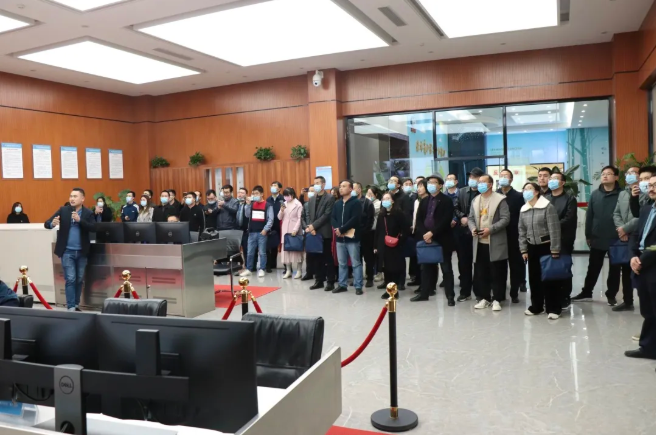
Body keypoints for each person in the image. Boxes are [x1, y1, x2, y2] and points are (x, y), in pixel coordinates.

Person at [572, 165, 623, 304]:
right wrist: (588, 234)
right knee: (593, 267)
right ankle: (586, 292)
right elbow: (590, 215)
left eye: (608, 173)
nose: (605, 176)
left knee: (614, 268)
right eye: (603, 174)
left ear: (616, 177)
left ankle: (611, 295)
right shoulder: (595, 194)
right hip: (597, 236)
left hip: (616, 237)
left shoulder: (622, 194)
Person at [44, 188, 95, 311]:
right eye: (71, 196)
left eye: (75, 196)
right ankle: (71, 307)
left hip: (82, 251)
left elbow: (93, 227)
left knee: (79, 279)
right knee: (71, 279)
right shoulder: (63, 210)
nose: (72, 198)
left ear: (82, 199)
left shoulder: (88, 213)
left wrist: (80, 220)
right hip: (67, 251)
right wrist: (52, 224)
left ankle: (76, 304)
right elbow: (47, 223)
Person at [519, 182, 562, 318]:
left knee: (549, 278)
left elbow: (554, 229)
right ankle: (536, 306)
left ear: (537, 192)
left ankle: (553, 308)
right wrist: (523, 249)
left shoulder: (547, 207)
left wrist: (555, 249)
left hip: (546, 247)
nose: (526, 191)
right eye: (525, 189)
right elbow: (521, 231)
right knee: (534, 278)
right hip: (531, 247)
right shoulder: (524, 209)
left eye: (529, 189)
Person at [468, 174, 510, 310]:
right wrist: (473, 228)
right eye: (479, 181)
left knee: (497, 272)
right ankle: (484, 298)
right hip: (479, 243)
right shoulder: (475, 200)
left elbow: (505, 219)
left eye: (483, 182)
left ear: (490, 184)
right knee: (481, 272)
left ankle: (497, 299)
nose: (479, 184)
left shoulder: (500, 199)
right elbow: (470, 218)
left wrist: (490, 230)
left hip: (495, 242)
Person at [626, 173, 656, 360]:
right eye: (650, 185)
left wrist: (642, 259)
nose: (651, 188)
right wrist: (633, 256)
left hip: (652, 264)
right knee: (648, 310)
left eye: (655, 185)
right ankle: (648, 348)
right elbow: (636, 235)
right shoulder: (646, 209)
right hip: (641, 265)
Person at [413, 176, 455, 305]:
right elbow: (419, 219)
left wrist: (432, 233)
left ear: (440, 185)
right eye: (429, 182)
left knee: (446, 269)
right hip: (426, 239)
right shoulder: (424, 201)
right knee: (425, 268)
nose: (430, 184)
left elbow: (446, 220)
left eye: (434, 182)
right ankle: (424, 293)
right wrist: (425, 234)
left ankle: (450, 296)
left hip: (442, 239)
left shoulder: (446, 200)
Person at [611, 166, 642, 311]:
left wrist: (625, 229)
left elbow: (640, 216)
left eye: (633, 172)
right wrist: (621, 229)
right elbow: (616, 213)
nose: (629, 175)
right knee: (626, 268)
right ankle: (627, 301)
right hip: (625, 235)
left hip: (639, 234)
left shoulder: (645, 193)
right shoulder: (623, 193)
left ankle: (646, 302)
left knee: (641, 269)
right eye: (627, 173)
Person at [546, 171, 578, 309]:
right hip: (547, 239)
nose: (551, 180)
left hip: (564, 239)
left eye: (555, 178)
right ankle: (550, 296)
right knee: (548, 267)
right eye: (551, 178)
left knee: (563, 267)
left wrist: (552, 226)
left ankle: (565, 296)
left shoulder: (570, 199)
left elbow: (569, 218)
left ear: (563, 182)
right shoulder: (545, 198)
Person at [497, 168, 526, 303]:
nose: (503, 178)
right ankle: (500, 293)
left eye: (506, 176)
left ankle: (514, 292)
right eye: (501, 175)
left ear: (511, 179)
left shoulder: (518, 196)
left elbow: (522, 216)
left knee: (515, 266)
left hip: (514, 235)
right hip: (498, 235)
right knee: (500, 266)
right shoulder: (495, 195)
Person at [455, 167, 483, 301]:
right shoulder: (461, 192)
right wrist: (462, 217)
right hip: (463, 233)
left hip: (478, 233)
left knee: (479, 264)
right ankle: (465, 291)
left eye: (475, 177)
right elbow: (455, 207)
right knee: (464, 263)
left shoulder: (483, 193)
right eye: (471, 177)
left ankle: (479, 292)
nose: (472, 179)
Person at [375, 192, 409, 299]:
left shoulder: (398, 213)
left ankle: (394, 291)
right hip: (383, 245)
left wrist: (400, 241)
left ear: (393, 201)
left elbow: (405, 229)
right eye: (384, 199)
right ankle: (388, 290)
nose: (385, 200)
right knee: (386, 269)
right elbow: (378, 231)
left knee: (394, 269)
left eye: (388, 198)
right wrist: (376, 246)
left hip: (395, 245)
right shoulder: (382, 214)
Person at [331, 180, 363, 295]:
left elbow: (355, 219)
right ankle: (342, 285)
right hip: (340, 238)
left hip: (352, 238)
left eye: (344, 186)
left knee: (355, 263)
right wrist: (337, 229)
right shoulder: (337, 203)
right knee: (342, 263)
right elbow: (333, 217)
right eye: (340, 186)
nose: (341, 188)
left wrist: (342, 229)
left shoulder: (356, 203)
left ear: (350, 189)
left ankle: (358, 286)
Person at [307, 176, 337, 291]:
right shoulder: (312, 199)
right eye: (314, 183)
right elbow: (309, 214)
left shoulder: (330, 198)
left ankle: (330, 281)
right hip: (314, 232)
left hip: (324, 232)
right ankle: (319, 280)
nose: (316, 185)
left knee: (327, 257)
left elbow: (327, 215)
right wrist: (311, 227)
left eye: (318, 183)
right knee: (316, 258)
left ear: (323, 184)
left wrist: (313, 226)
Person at [386, 176, 414, 290]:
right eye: (390, 181)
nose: (391, 183)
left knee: (400, 257)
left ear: (398, 185)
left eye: (393, 181)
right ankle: (389, 280)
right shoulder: (387, 195)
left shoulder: (404, 197)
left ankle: (401, 281)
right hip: (388, 231)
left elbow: (407, 215)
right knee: (389, 258)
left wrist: (403, 231)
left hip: (399, 231)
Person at [241, 186, 274, 278]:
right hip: (252, 232)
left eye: (256, 194)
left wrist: (265, 229)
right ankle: (249, 269)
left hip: (262, 233)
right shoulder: (252, 204)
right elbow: (247, 215)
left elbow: (270, 219)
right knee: (250, 252)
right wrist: (247, 205)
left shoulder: (267, 205)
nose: (254, 195)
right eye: (253, 194)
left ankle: (262, 269)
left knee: (262, 252)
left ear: (261, 194)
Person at [279, 187, 303, 279]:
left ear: (292, 195)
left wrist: (295, 229)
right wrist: (281, 210)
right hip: (285, 229)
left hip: (294, 229)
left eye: (287, 195)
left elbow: (300, 218)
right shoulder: (284, 204)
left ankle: (299, 271)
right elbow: (279, 217)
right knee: (286, 252)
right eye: (285, 195)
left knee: (297, 251)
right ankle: (288, 270)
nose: (286, 197)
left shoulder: (298, 204)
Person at [354, 182, 375, 288]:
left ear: (359, 189)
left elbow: (370, 219)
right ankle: (358, 278)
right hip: (353, 234)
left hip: (366, 234)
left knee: (368, 257)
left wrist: (364, 231)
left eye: (354, 188)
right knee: (356, 258)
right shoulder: (350, 202)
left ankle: (370, 278)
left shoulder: (367, 202)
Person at [266, 181, 285, 273]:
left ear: (279, 189)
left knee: (283, 244)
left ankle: (286, 266)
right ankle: (271, 264)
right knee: (271, 245)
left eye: (275, 186)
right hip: (271, 225)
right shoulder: (268, 199)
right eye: (272, 185)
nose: (273, 187)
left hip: (281, 224)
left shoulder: (283, 199)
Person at [366, 186, 383, 282]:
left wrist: (367, 202)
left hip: (376, 230)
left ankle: (379, 272)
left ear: (376, 195)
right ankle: (370, 272)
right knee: (369, 253)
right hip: (369, 231)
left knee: (377, 253)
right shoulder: (368, 203)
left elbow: (370, 212)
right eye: (367, 194)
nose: (368, 196)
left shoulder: (378, 203)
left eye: (370, 194)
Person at [235, 187, 250, 273]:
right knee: (235, 249)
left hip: (245, 230)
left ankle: (247, 266)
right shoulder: (235, 203)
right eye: (239, 192)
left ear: (246, 195)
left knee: (246, 249)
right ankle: (237, 265)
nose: (240, 194)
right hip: (236, 230)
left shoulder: (248, 204)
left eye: (242, 193)